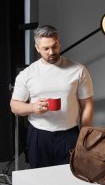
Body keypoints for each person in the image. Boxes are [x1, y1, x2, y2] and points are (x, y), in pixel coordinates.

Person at [10, 24, 94, 168]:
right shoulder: (27, 74)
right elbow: (14, 106)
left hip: (70, 135)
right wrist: (33, 107)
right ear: (37, 48)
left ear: (59, 43)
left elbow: (87, 104)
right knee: (40, 181)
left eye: (54, 46)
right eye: (46, 49)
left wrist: (85, 134)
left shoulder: (79, 70)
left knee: (70, 180)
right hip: (39, 135)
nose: (51, 52)